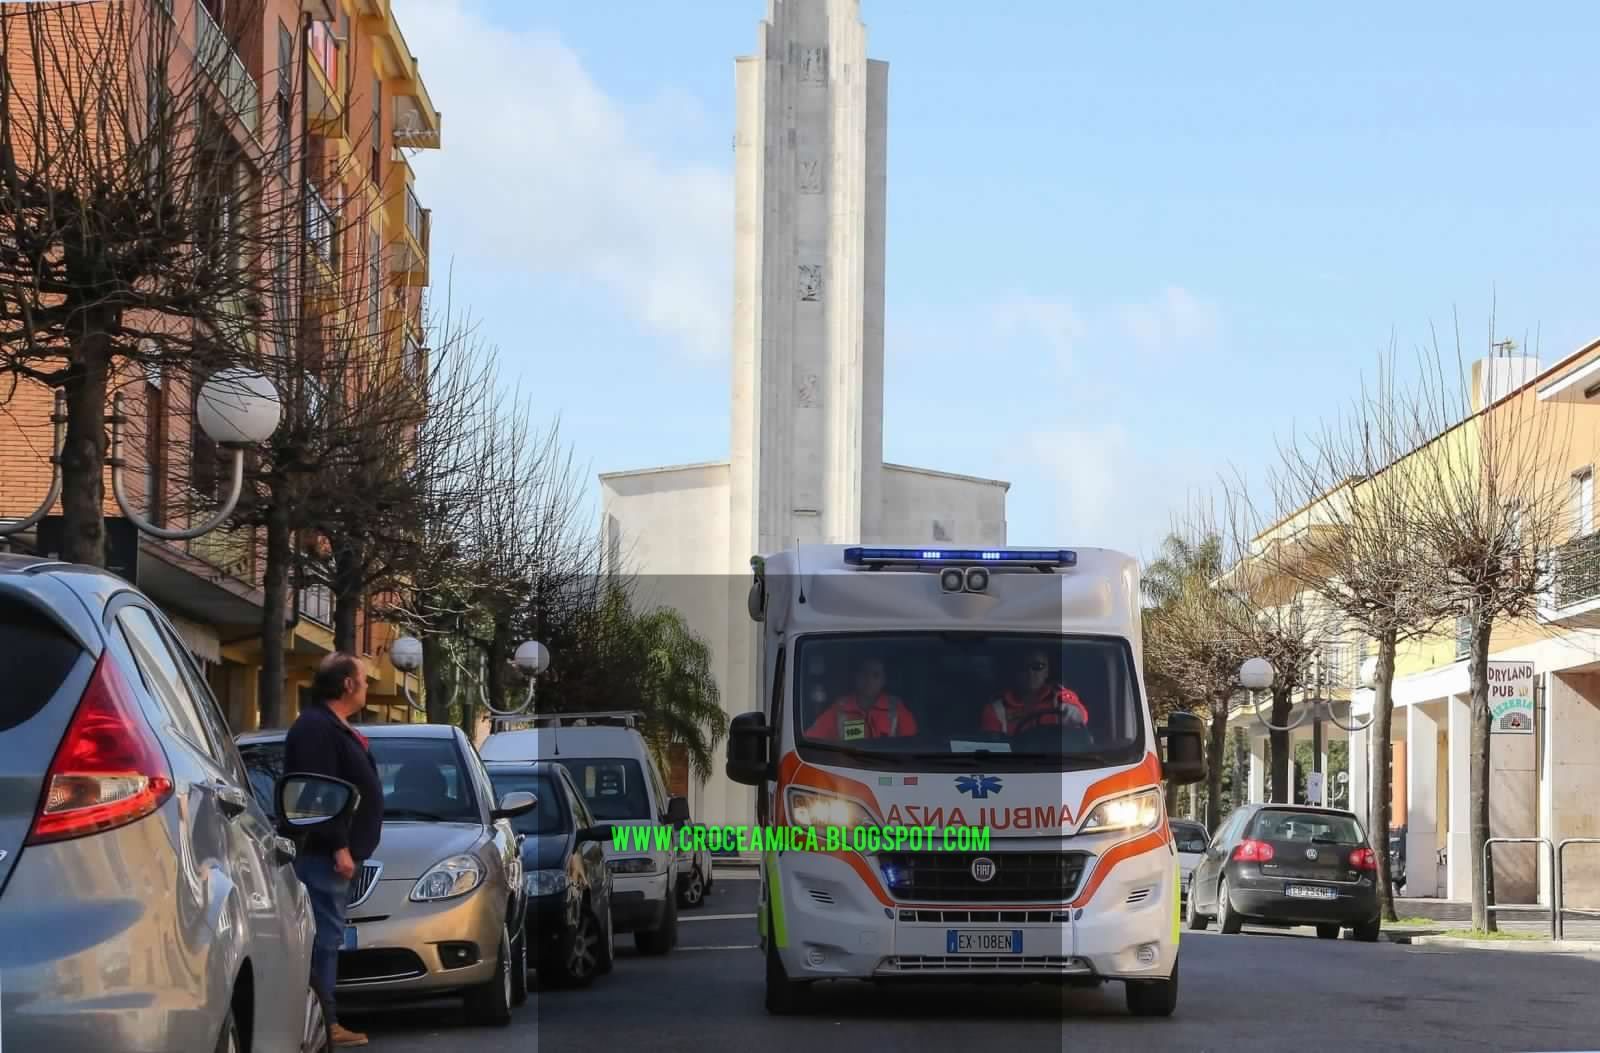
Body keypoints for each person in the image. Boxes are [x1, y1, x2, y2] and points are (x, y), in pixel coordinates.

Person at [284, 652, 384, 1048]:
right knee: (323, 941)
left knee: (328, 939)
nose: (366, 686)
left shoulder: (331, 726)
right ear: (347, 684)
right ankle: (324, 1022)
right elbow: (317, 793)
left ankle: (326, 1018)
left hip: (334, 856)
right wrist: (339, 846)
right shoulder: (315, 728)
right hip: (323, 857)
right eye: (363, 679)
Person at [979, 647, 1089, 736]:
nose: (1030, 673)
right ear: (1015, 672)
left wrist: (1074, 712)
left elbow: (1079, 714)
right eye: (1023, 667)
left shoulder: (1059, 696)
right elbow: (993, 746)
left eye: (1037, 666)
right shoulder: (996, 710)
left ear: (1047, 671)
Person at [804, 656, 918, 741]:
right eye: (864, 673)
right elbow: (811, 739)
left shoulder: (896, 709)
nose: (869, 680)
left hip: (889, 769)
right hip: (848, 771)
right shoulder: (839, 709)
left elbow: (913, 745)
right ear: (856, 677)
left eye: (876, 675)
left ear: (884, 680)